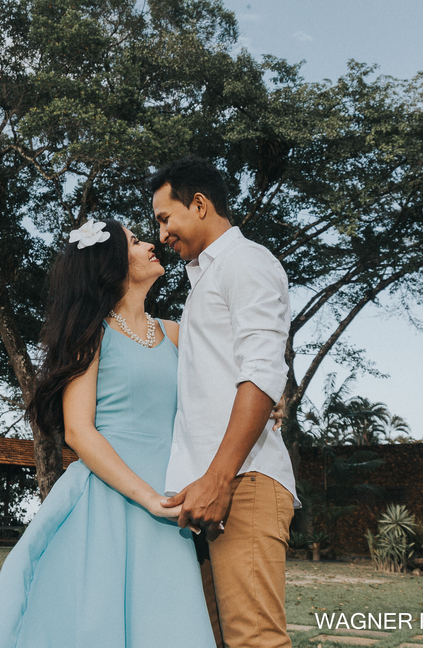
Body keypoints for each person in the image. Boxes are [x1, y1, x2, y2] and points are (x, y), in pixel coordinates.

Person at [0, 219, 215, 648]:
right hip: (107, 499)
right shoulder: (91, 335)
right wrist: (148, 498)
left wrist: (264, 404)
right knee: (93, 623)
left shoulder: (176, 333)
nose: (151, 244)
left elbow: (216, 390)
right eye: (135, 242)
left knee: (165, 622)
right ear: (112, 263)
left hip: (169, 495)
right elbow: (79, 432)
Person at [152, 156, 299, 648]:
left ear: (199, 204)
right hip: (208, 492)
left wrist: (218, 478)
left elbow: (262, 370)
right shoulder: (203, 283)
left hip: (242, 483)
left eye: (165, 218)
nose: (161, 234)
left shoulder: (245, 262)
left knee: (254, 640)